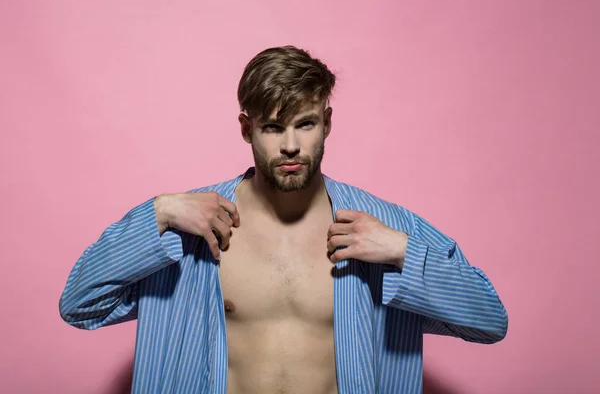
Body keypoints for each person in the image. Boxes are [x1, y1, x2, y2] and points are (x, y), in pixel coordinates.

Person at [59, 45, 508, 394]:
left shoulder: (381, 227)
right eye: (273, 127)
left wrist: (403, 252)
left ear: (327, 123)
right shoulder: (194, 227)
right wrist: (157, 213)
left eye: (306, 124)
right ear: (246, 128)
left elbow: (489, 320)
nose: (291, 145)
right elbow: (79, 304)